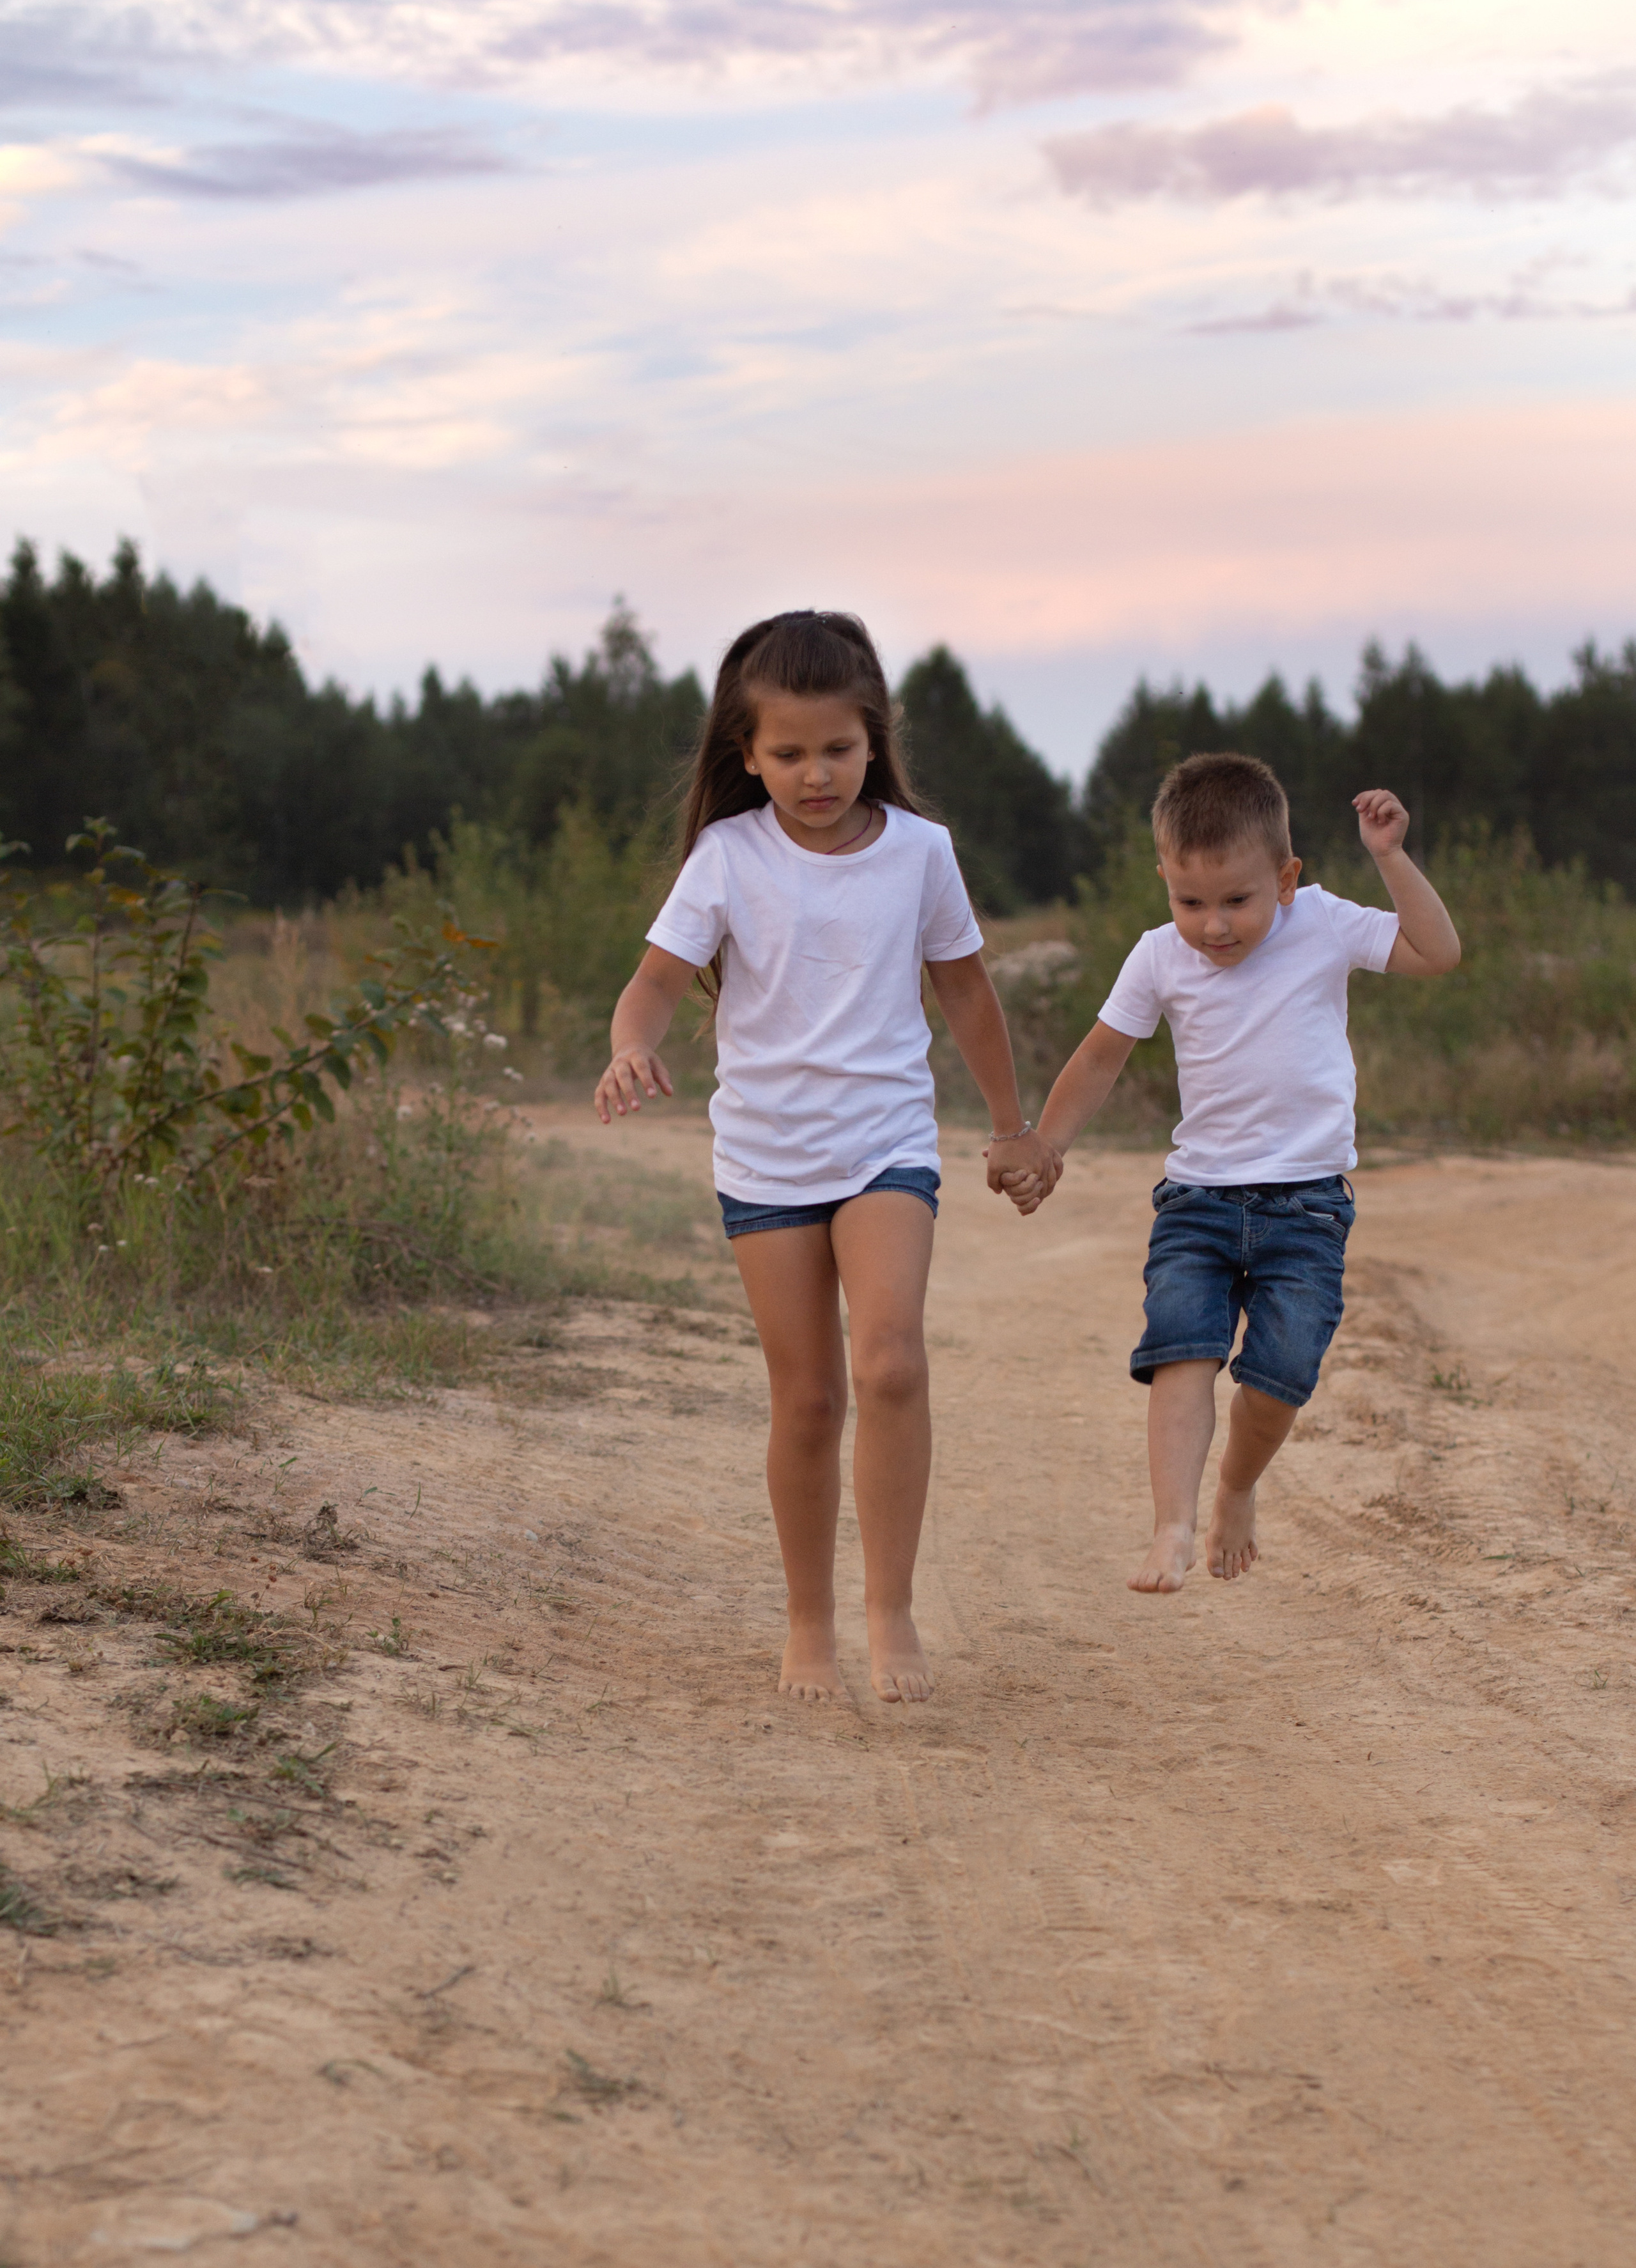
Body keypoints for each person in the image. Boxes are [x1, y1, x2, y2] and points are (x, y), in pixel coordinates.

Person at [594, 610, 1056, 1702]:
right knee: (807, 1399)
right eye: (789, 754)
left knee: (890, 1358)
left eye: (838, 750)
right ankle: (810, 1622)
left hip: (884, 1142)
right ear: (746, 755)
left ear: (874, 740)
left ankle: (889, 1610)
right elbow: (658, 981)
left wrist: (1010, 1125)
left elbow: (967, 992)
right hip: (765, 1158)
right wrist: (629, 1048)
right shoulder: (726, 857)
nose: (816, 775)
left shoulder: (921, 853)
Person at [1003, 752, 1460, 1593]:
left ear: (1286, 879)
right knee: (1181, 1349)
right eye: (1190, 902)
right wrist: (1048, 1143)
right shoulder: (1157, 957)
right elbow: (1102, 1058)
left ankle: (1236, 1488)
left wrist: (1390, 858)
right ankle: (1171, 1525)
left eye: (1237, 901)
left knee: (1279, 1380)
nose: (1213, 926)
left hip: (1309, 1208)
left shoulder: (1321, 923)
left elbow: (1436, 952)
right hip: (1198, 1200)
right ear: (1165, 882)